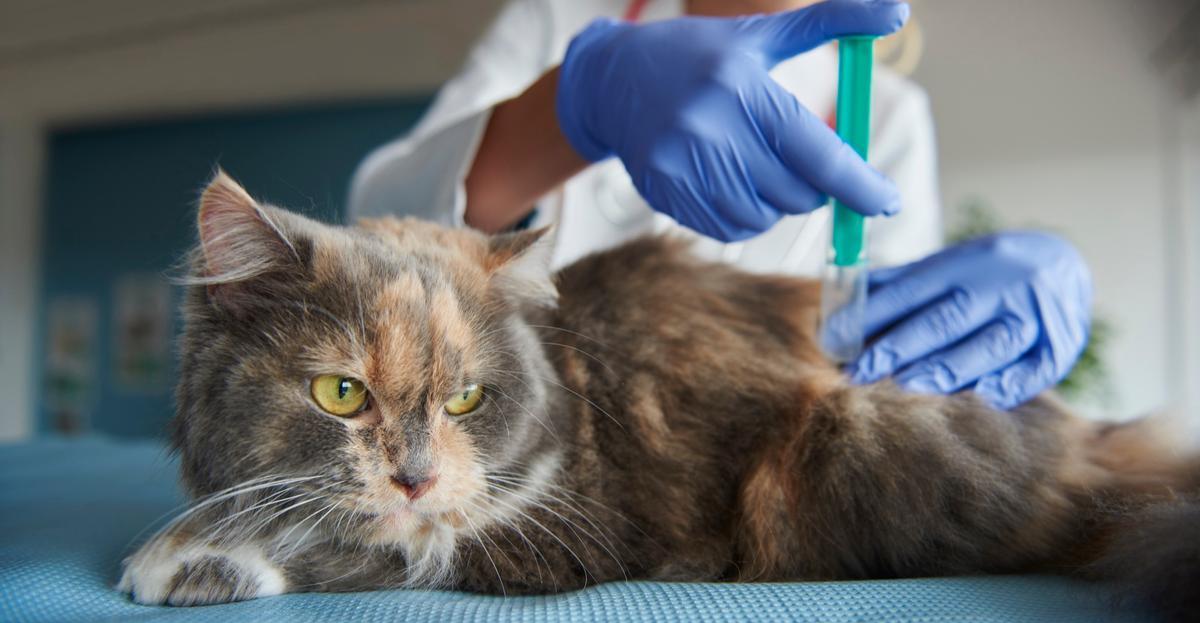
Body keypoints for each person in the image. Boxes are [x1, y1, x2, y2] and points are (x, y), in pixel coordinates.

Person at [349, 0, 1092, 410]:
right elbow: (381, 216)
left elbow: (895, 368)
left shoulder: (889, 115)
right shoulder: (564, 17)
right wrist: (579, 101)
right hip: (526, 453)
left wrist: (1000, 320)